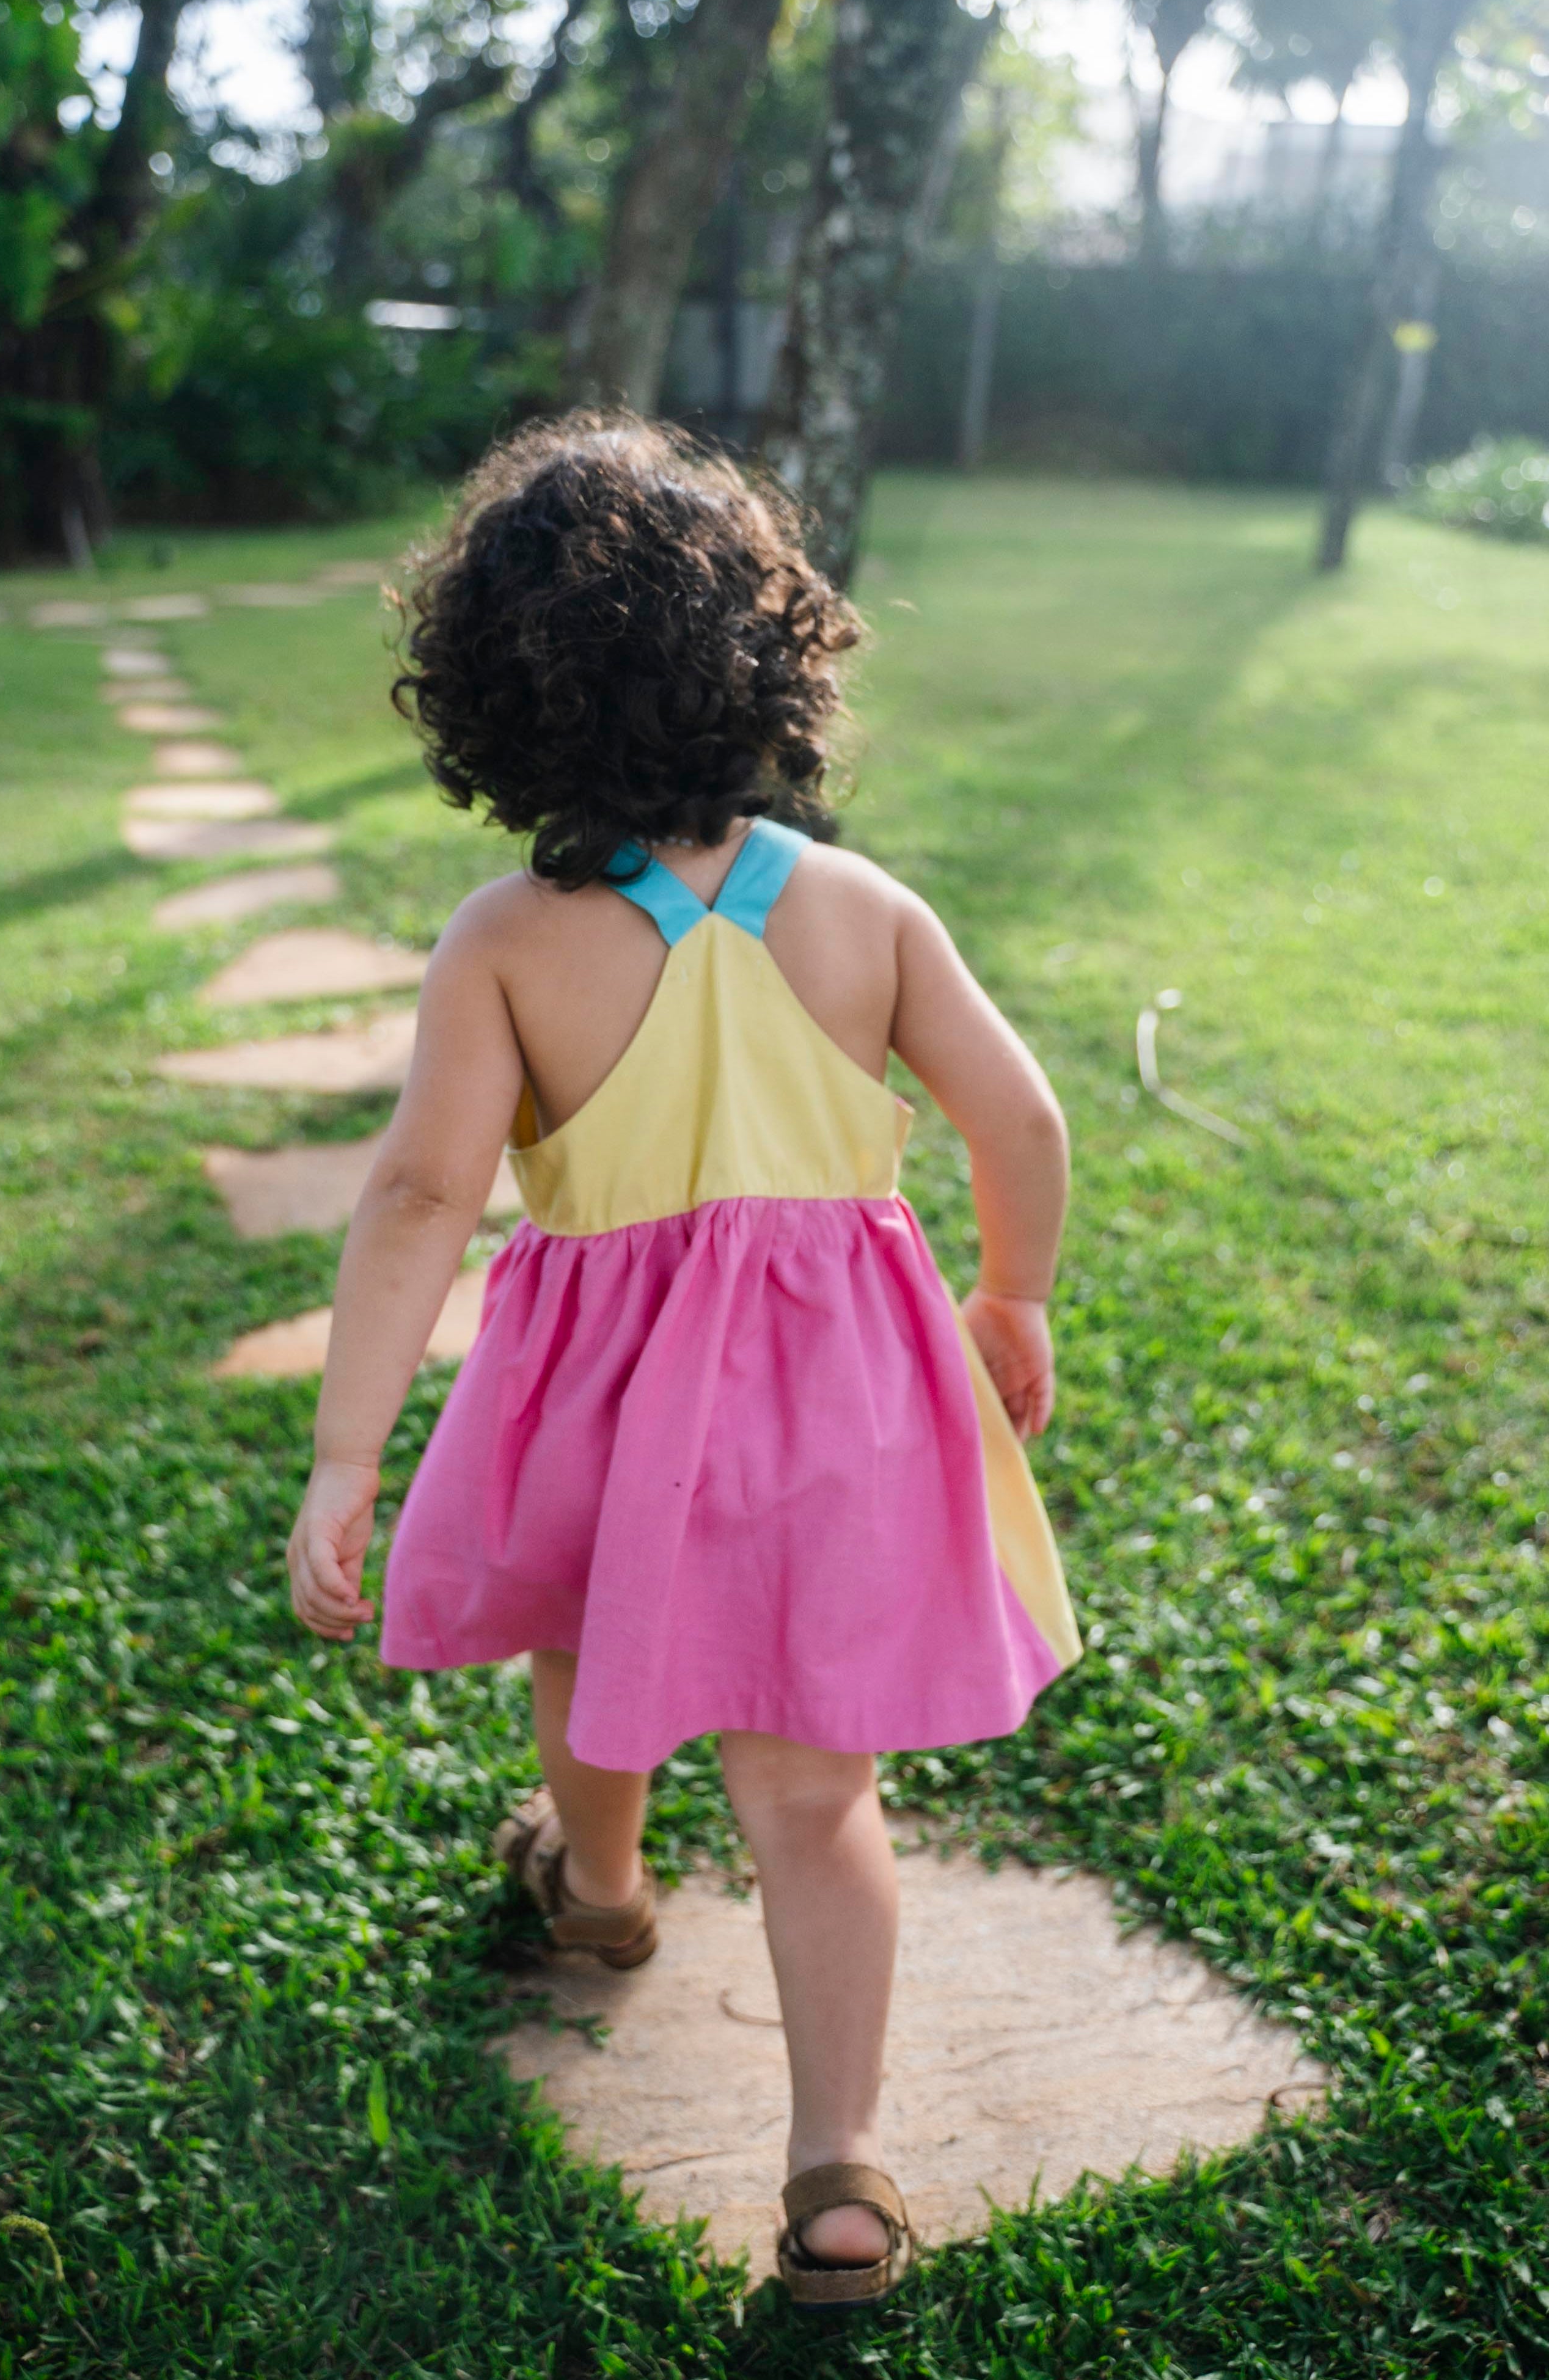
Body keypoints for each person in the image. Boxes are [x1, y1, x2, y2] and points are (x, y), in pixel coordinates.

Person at [286, 413, 1078, 2312]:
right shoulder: (862, 910)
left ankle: (606, 1890)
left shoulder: (505, 941)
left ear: (491, 700)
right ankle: (839, 2179)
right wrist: (1014, 1296)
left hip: (610, 1417)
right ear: (773, 656)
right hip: (842, 1411)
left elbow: (416, 1202)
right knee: (817, 1797)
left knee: (597, 1657)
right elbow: (1022, 1116)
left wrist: (344, 1459)